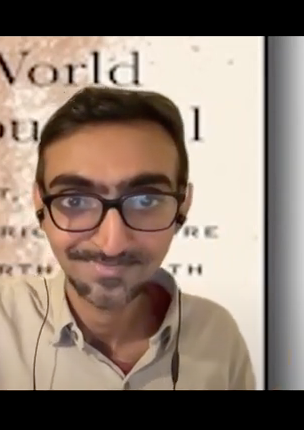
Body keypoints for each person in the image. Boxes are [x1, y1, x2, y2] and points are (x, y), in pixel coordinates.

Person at [0, 86, 256, 390]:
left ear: (183, 207)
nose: (112, 245)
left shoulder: (216, 336)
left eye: (145, 201)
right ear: (39, 204)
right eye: (75, 200)